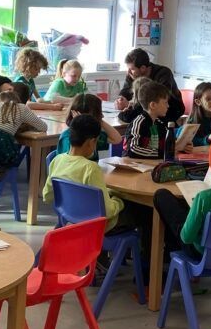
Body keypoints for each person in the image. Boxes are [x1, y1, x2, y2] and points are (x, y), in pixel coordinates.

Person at [42, 114, 151, 252]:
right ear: (91, 142)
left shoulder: (57, 160)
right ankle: (147, 260)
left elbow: (47, 196)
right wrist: (119, 200)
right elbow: (108, 211)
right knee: (145, 210)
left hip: (70, 220)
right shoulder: (91, 168)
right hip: (98, 226)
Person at [0, 81, 46, 176]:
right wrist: (26, 126)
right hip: (1, 146)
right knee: (12, 153)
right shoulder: (22, 108)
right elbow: (43, 127)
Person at [115, 48, 184, 123]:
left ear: (143, 68)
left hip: (170, 110)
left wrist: (129, 104)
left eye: (132, 69)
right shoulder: (132, 74)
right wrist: (121, 100)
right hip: (147, 108)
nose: (128, 72)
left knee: (133, 118)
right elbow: (125, 92)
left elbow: (158, 99)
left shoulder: (163, 73)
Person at [55, 93, 121, 160]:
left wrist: (100, 120)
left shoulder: (91, 134)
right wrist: (80, 123)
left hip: (91, 167)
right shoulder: (68, 138)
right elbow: (72, 163)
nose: (102, 116)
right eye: (98, 114)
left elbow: (117, 139)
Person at [125, 79, 172, 159]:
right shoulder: (139, 122)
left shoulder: (159, 123)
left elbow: (167, 144)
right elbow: (133, 149)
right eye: (165, 102)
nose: (168, 106)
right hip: (135, 164)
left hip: (151, 163)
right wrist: (161, 153)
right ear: (153, 105)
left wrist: (182, 147)